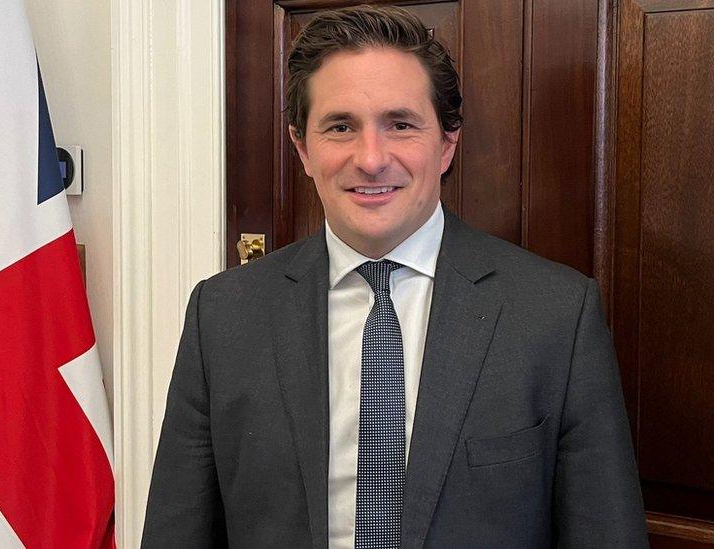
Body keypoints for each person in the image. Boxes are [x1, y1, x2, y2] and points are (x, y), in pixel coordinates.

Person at [142, 5, 647, 548]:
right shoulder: (223, 315)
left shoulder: (555, 315)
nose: (371, 157)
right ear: (302, 148)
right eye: (340, 127)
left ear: (448, 142)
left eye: (400, 124)